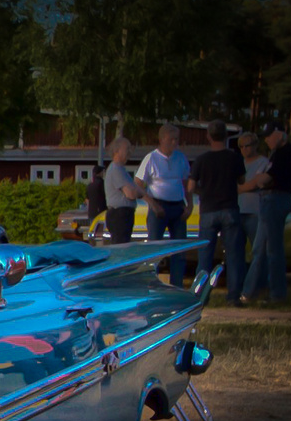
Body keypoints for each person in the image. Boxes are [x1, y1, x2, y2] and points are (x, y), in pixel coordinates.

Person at [187, 121, 246, 303]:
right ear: (226, 136)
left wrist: (203, 192)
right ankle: (233, 296)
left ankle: (201, 297)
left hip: (208, 210)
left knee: (205, 256)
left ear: (208, 136)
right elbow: (242, 180)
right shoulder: (234, 158)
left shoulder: (202, 160)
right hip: (229, 208)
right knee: (234, 255)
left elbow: (190, 187)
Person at [248, 120, 291, 302]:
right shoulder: (276, 153)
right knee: (259, 249)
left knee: (273, 249)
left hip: (275, 199)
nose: (267, 140)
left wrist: (260, 180)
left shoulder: (287, 154)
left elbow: (266, 178)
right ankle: (250, 291)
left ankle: (277, 293)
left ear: (280, 133)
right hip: (269, 199)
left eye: (270, 136)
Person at [135, 123, 191, 285]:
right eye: (171, 139)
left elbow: (187, 182)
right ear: (161, 140)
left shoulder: (181, 158)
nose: (174, 143)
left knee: (179, 249)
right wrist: (152, 204)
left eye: (177, 139)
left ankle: (177, 285)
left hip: (178, 206)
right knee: (154, 249)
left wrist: (190, 205)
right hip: (158, 205)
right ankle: (152, 284)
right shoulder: (151, 158)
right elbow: (138, 183)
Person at [103, 136, 144, 245]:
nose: (129, 152)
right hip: (119, 215)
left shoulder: (121, 169)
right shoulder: (116, 169)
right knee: (120, 248)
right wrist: (139, 192)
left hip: (124, 214)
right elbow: (130, 194)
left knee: (124, 245)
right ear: (117, 151)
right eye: (127, 149)